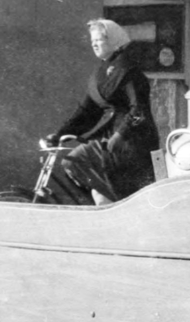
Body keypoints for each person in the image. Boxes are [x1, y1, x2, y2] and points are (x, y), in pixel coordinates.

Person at [42, 19, 160, 204]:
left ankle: (110, 208)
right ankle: (103, 211)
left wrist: (119, 136)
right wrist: (60, 134)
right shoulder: (102, 72)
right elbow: (87, 111)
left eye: (99, 40)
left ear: (114, 41)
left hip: (132, 143)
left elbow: (139, 111)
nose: (94, 44)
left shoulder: (129, 71)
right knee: (93, 182)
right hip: (112, 140)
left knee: (77, 159)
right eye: (92, 41)